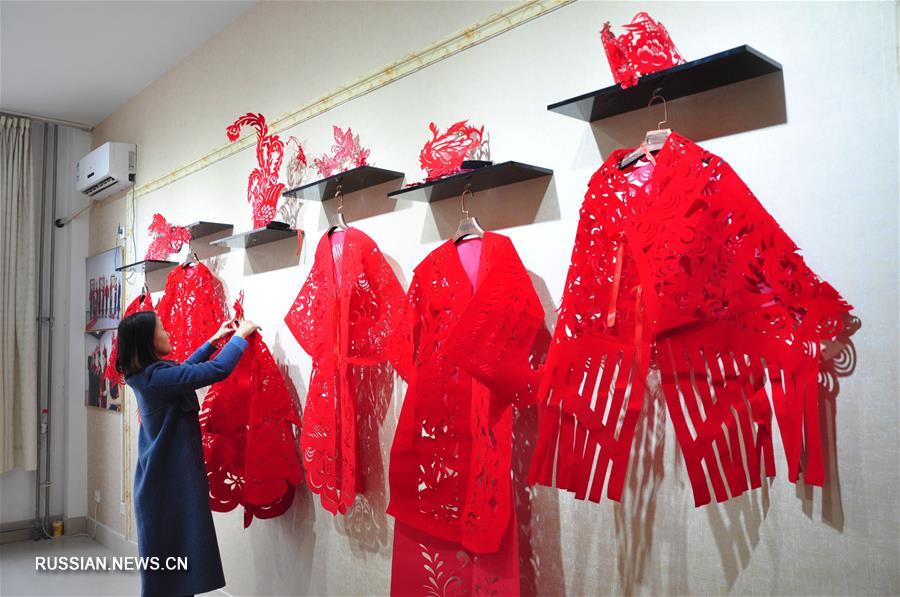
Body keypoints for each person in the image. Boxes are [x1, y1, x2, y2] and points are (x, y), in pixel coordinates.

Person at [116, 310, 259, 597]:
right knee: (170, 575)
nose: (167, 332)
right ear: (147, 340)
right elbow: (217, 370)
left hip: (166, 481)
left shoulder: (150, 376)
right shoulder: (157, 379)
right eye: (161, 328)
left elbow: (183, 371)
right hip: (166, 487)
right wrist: (241, 336)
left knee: (178, 571)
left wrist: (213, 341)